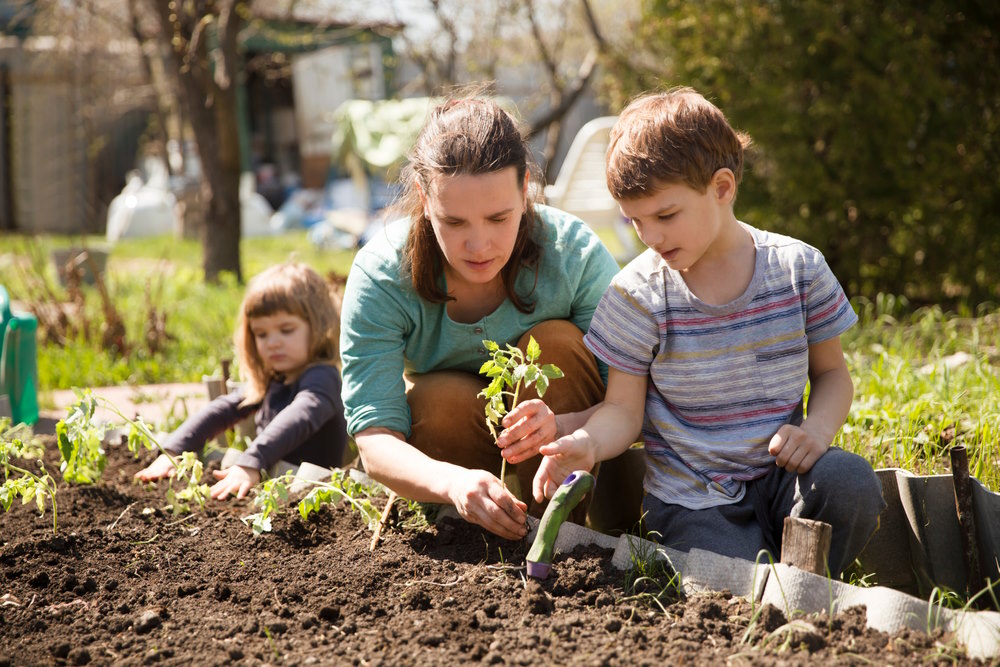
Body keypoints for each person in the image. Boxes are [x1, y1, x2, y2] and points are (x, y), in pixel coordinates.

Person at [533, 87, 885, 576]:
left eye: (665, 215)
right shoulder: (636, 295)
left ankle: (811, 586)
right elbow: (623, 411)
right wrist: (588, 444)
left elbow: (832, 376)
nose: (650, 237)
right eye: (634, 221)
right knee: (728, 579)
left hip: (783, 478)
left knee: (850, 481)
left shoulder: (798, 269)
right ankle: (769, 589)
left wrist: (816, 432)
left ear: (722, 188)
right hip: (692, 501)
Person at [339, 96, 623, 541]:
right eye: (454, 222)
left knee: (558, 345)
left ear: (525, 187)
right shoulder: (381, 274)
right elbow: (375, 438)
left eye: (498, 218)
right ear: (424, 198)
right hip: (457, 468)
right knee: (434, 400)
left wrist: (565, 426)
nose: (479, 245)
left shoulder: (574, 256)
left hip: (580, 456)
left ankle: (563, 536)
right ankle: (477, 529)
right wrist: (451, 483)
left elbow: (631, 399)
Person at [135, 262, 348, 500]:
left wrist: (252, 461)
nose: (272, 342)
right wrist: (173, 451)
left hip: (315, 499)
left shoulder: (323, 376)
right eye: (261, 334)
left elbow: (301, 414)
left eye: (286, 330)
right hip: (275, 493)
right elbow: (222, 410)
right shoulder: (274, 378)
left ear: (319, 326)